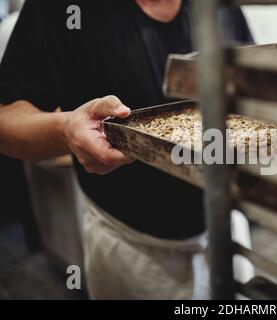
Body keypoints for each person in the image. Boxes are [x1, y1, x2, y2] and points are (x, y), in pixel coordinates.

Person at [0, 0, 254, 299]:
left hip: (226, 231)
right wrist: (64, 129)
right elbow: (6, 118)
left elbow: (252, 89)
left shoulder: (221, 7)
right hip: (133, 251)